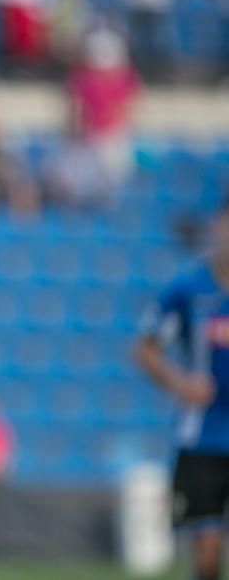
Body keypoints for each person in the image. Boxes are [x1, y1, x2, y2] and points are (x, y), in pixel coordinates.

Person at [135, 201, 229, 580]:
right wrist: (180, 383)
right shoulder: (189, 289)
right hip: (201, 437)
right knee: (207, 552)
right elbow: (145, 347)